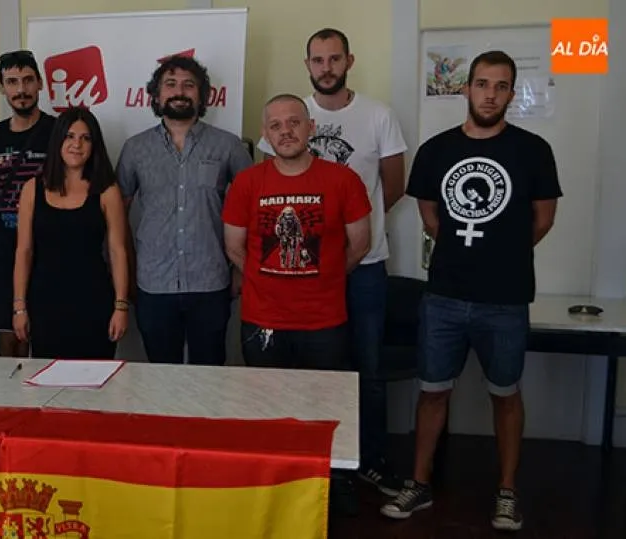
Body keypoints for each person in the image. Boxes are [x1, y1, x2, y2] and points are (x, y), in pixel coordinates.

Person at [380, 51, 562, 532]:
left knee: (505, 394)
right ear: (466, 88)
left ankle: (507, 491)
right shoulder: (438, 151)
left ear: (510, 92)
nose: (489, 94)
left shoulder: (533, 150)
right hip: (443, 296)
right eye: (481, 84)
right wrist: (469, 254)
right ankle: (418, 484)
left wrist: (500, 254)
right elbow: (430, 217)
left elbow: (542, 219)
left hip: (505, 299)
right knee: (432, 391)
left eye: (500, 86)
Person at [257, 27, 409, 496]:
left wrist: (347, 249)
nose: (326, 67)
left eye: (334, 58)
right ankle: (303, 462)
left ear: (349, 61)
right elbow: (269, 188)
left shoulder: (379, 116)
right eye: (318, 60)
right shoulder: (288, 116)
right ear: (308, 65)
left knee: (365, 368)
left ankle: (368, 461)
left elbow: (392, 188)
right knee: (302, 372)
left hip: (362, 267)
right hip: (300, 275)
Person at [223, 94, 371, 517]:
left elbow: (358, 244)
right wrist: (272, 280)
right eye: (275, 125)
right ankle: (274, 490)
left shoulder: (342, 180)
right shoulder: (249, 183)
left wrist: (319, 278)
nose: (285, 131)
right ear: (266, 134)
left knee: (325, 411)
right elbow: (235, 247)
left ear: (310, 128)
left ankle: (330, 486)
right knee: (270, 414)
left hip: (324, 320)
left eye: (293, 123)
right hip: (262, 320)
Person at [117, 54, 252, 366]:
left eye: (189, 85)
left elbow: (252, 211)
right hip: (152, 283)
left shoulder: (228, 146)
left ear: (202, 95)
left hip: (212, 282)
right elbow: (116, 216)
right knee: (162, 378)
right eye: (171, 84)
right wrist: (125, 271)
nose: (180, 91)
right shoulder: (134, 149)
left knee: (210, 376)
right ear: (156, 94)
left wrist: (240, 268)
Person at [12, 107, 129, 359]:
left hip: (94, 303)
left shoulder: (106, 190)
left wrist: (121, 306)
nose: (77, 144)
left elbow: (117, 251)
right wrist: (19, 306)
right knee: (49, 384)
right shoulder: (33, 189)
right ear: (58, 141)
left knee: (95, 386)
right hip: (45, 304)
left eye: (85, 138)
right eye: (70, 136)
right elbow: (24, 251)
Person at [0, 50, 56, 358]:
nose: (20, 89)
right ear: (2, 88)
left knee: (45, 341)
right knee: (8, 344)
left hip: (48, 251)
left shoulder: (58, 132)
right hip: (3, 252)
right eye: (12, 82)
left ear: (40, 83)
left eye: (27, 80)